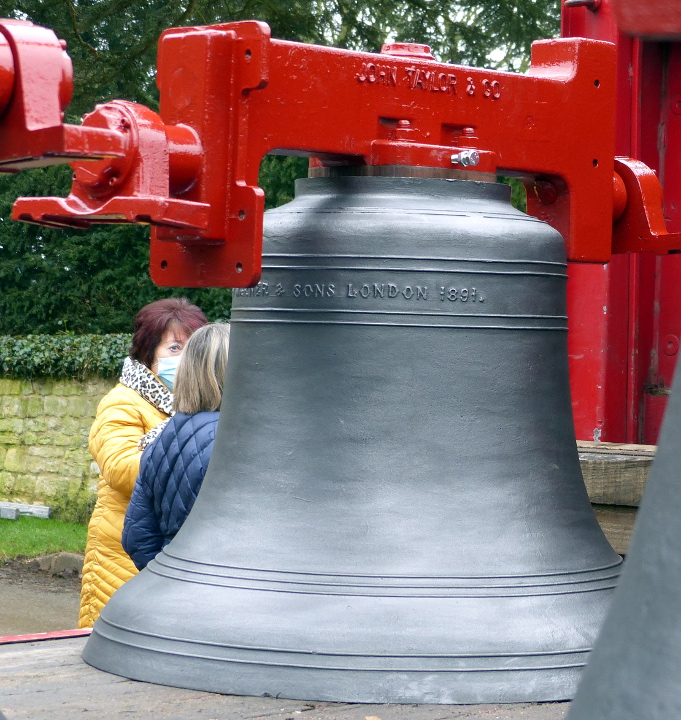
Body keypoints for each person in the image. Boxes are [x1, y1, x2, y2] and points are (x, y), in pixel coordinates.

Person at [79, 298, 207, 628]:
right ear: (148, 355)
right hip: (120, 555)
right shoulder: (122, 402)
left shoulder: (197, 407)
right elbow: (122, 469)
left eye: (191, 349)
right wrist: (184, 444)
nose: (184, 359)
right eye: (174, 348)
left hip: (170, 550)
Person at [122, 323, 230, 571]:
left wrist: (168, 580)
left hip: (176, 586)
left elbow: (136, 538)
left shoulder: (158, 439)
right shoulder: (236, 440)